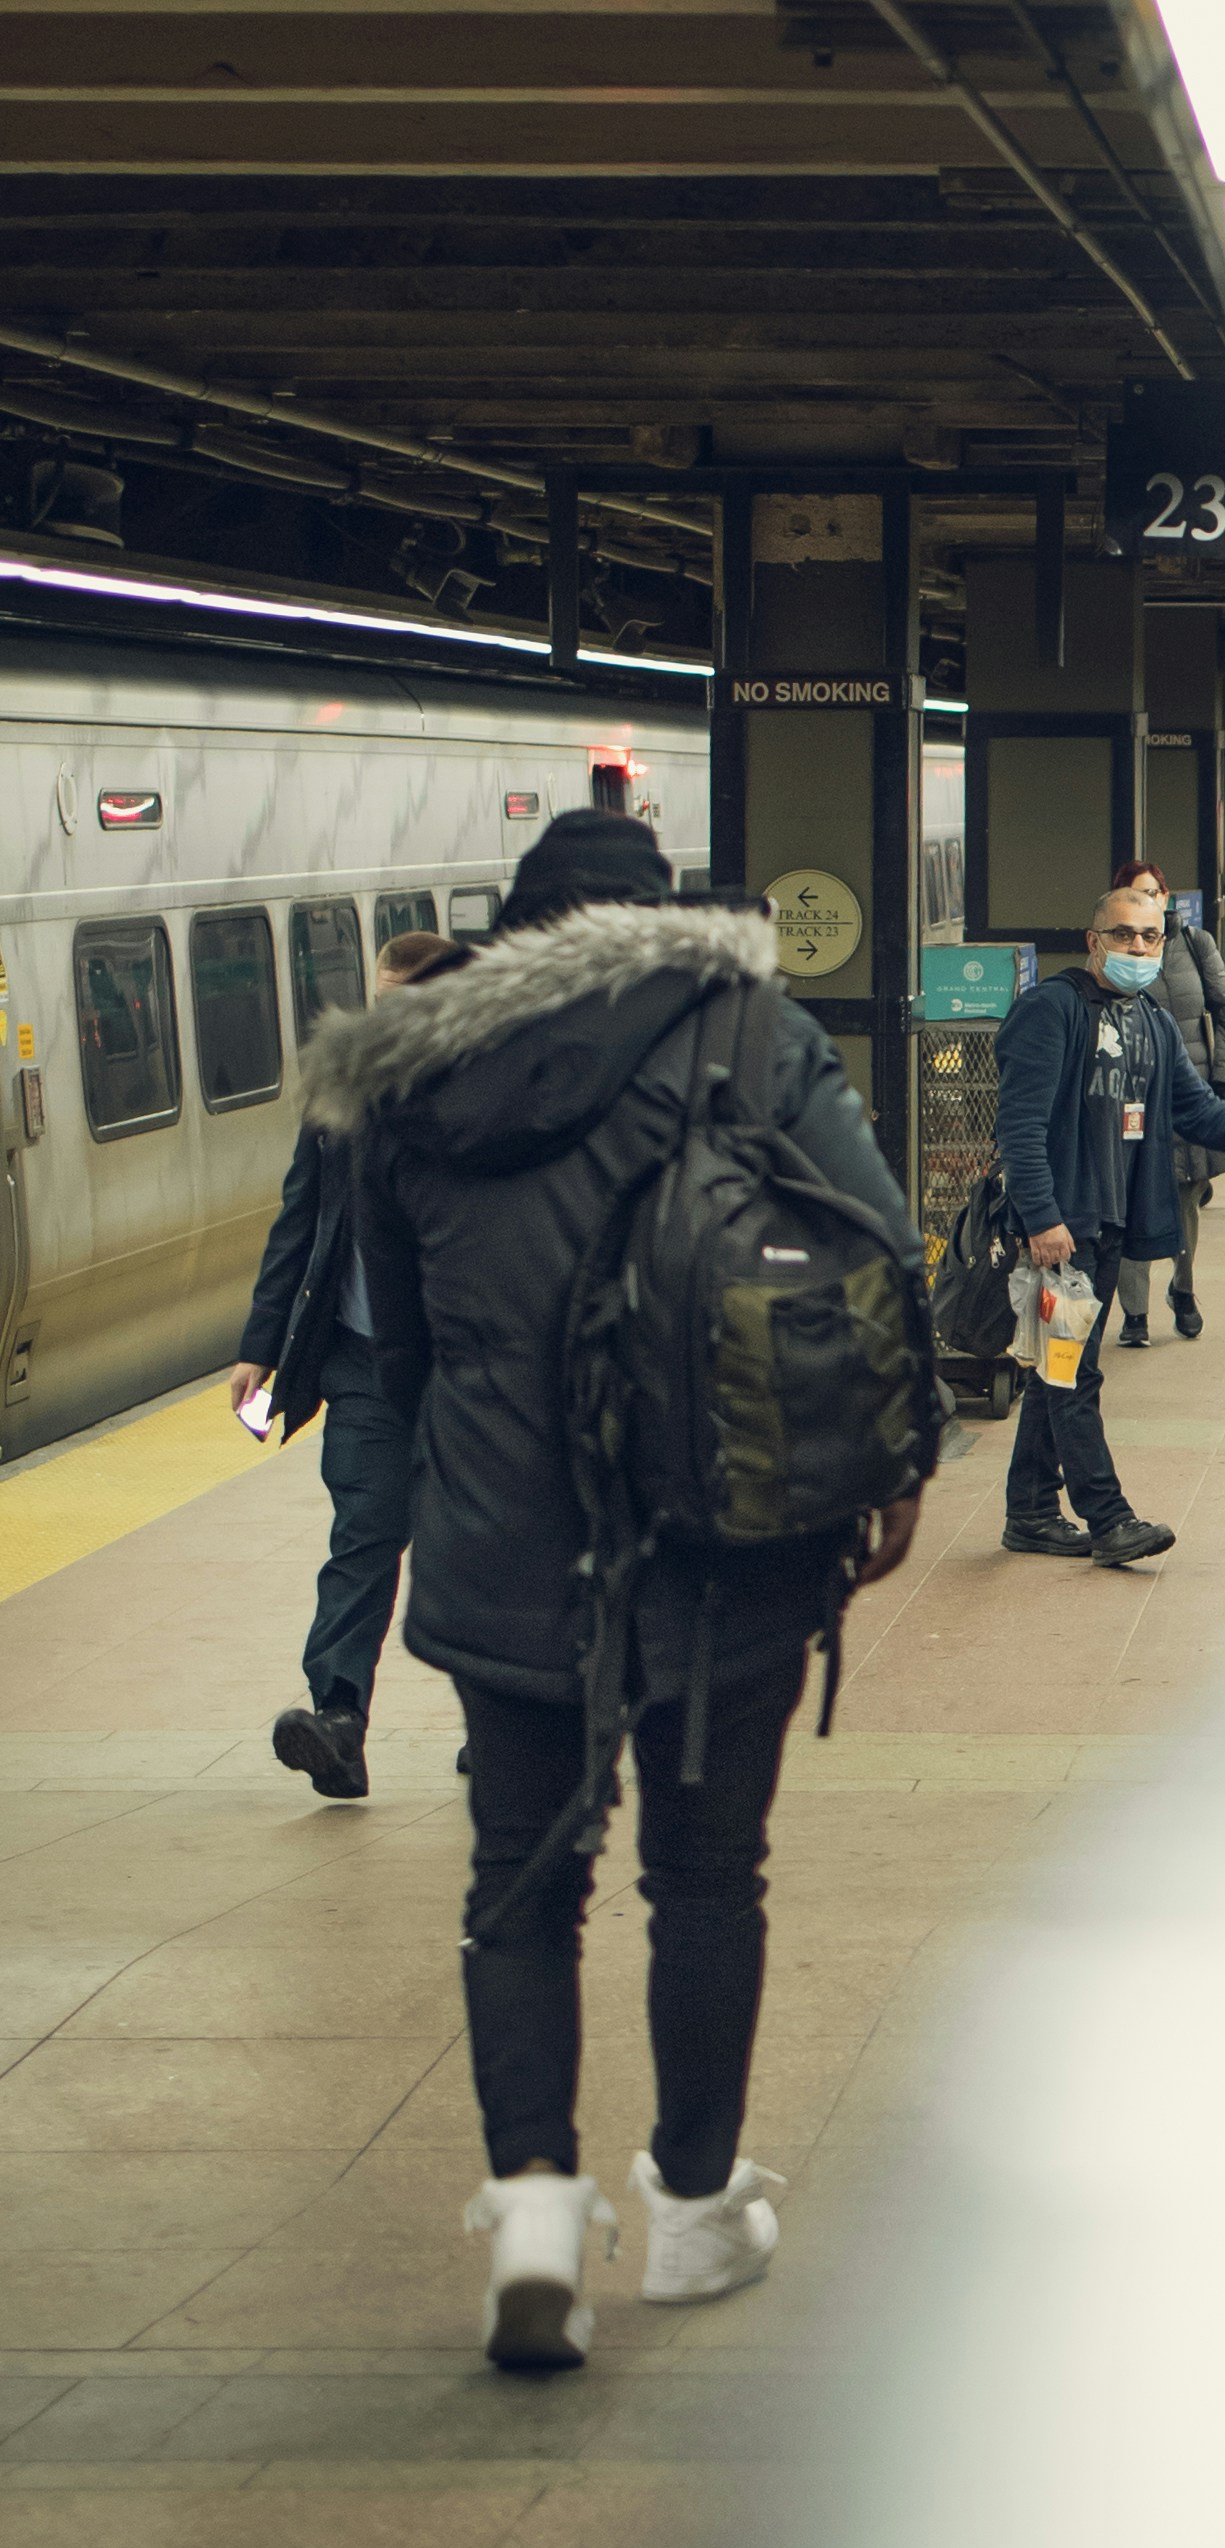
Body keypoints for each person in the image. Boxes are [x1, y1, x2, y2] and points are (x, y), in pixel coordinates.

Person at [316, 810, 924, 2373]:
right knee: (706, 1876)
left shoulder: (412, 1069)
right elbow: (879, 1249)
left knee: (521, 1879)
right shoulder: (747, 1028)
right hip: (722, 1534)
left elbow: (406, 1340)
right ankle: (701, 2210)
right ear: (663, 917)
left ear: (513, 925)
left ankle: (533, 2209)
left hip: (502, 1543)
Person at [991, 875, 1225, 1564]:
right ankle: (1109, 1520)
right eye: (1123, 934)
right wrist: (1041, 1218)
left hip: (1105, 1230)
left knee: (1058, 1367)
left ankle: (1031, 1511)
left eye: (1150, 935)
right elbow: (1019, 1126)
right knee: (1074, 1373)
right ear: (1093, 940)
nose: (1138, 946)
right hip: (1061, 1233)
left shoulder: (1152, 1023)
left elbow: (1197, 1113)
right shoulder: (1051, 1011)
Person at [232, 921, 473, 1804]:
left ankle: (499, 1718)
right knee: (362, 1540)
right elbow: (301, 1221)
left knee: (478, 1544)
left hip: (469, 1368)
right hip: (366, 1363)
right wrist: (261, 1344)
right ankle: (337, 1720)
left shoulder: (495, 1096)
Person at [1102, 859, 1225, 1347]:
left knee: (1187, 1197)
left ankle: (1183, 1289)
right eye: (1134, 894)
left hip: (1191, 1095)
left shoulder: (1194, 944)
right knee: (1129, 1199)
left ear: (1166, 898)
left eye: (1152, 892)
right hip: (1134, 1099)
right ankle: (1135, 1314)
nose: (1146, 902)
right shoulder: (1117, 957)